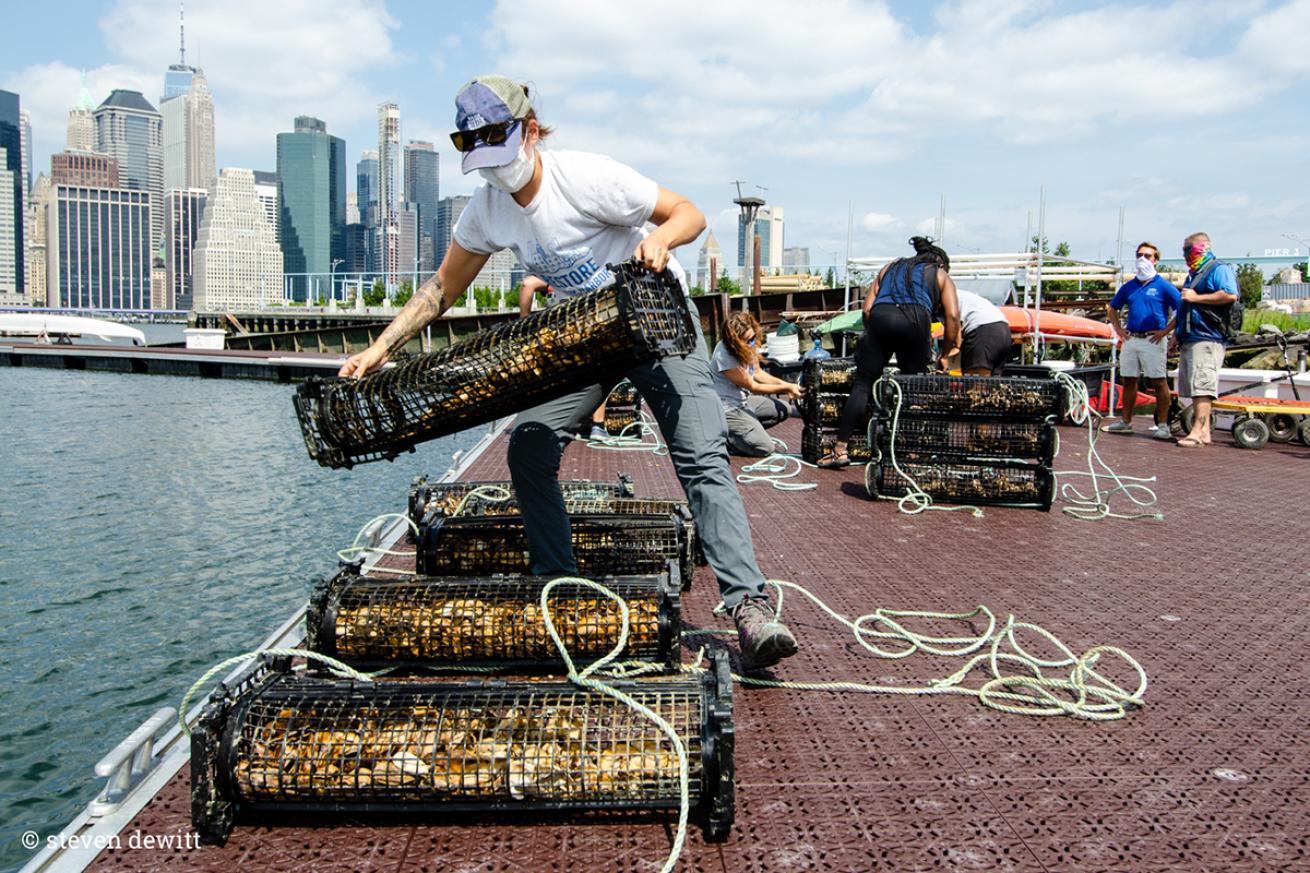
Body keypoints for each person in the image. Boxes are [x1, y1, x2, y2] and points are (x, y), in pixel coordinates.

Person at [338, 75, 797, 670]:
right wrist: (380, 349)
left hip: (657, 321)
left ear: (531, 132)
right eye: (480, 155)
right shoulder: (487, 211)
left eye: (500, 147)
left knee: (701, 456)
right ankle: (560, 585)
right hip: (587, 335)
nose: (494, 169)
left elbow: (690, 212)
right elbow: (442, 288)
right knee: (528, 445)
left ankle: (750, 608)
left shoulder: (585, 177)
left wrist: (659, 239)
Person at [820, 236, 961, 467]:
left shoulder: (890, 267)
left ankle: (840, 450)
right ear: (941, 264)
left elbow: (867, 310)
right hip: (916, 321)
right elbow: (953, 317)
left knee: (863, 384)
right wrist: (946, 354)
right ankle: (909, 454)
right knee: (911, 388)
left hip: (881, 317)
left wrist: (873, 338)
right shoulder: (940, 275)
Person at [1103, 242, 1180, 439]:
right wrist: (1118, 329)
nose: (1142, 259)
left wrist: (1165, 332)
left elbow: (1182, 309)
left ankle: (1163, 425)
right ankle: (1126, 421)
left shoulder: (1163, 286)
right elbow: (1113, 308)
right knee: (1129, 379)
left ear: (1155, 260)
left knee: (1159, 381)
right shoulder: (1129, 286)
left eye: (1147, 255)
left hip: (1152, 340)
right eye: (1139, 255)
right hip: (1132, 338)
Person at [1173, 232, 1238, 447]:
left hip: (1208, 337)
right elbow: (1185, 308)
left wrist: (1196, 297)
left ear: (1203, 246)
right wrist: (1176, 335)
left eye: (1188, 248)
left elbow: (1230, 294)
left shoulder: (1218, 269)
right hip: (1191, 336)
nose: (1185, 254)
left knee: (1202, 386)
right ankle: (1205, 431)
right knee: (1195, 386)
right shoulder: (1195, 273)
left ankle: (1197, 431)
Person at [711, 311, 803, 457]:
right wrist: (787, 388)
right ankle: (725, 439)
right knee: (765, 448)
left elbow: (758, 374)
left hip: (743, 402)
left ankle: (747, 432)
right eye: (747, 340)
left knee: (784, 409)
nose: (751, 342)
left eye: (752, 337)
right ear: (735, 341)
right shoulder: (724, 355)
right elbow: (754, 386)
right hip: (727, 408)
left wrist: (789, 385)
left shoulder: (749, 345)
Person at [954, 288, 1012, 376]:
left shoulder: (945, 295)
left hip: (984, 330)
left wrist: (947, 353)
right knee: (991, 384)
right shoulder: (960, 296)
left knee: (975, 384)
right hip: (1002, 329)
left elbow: (952, 320)